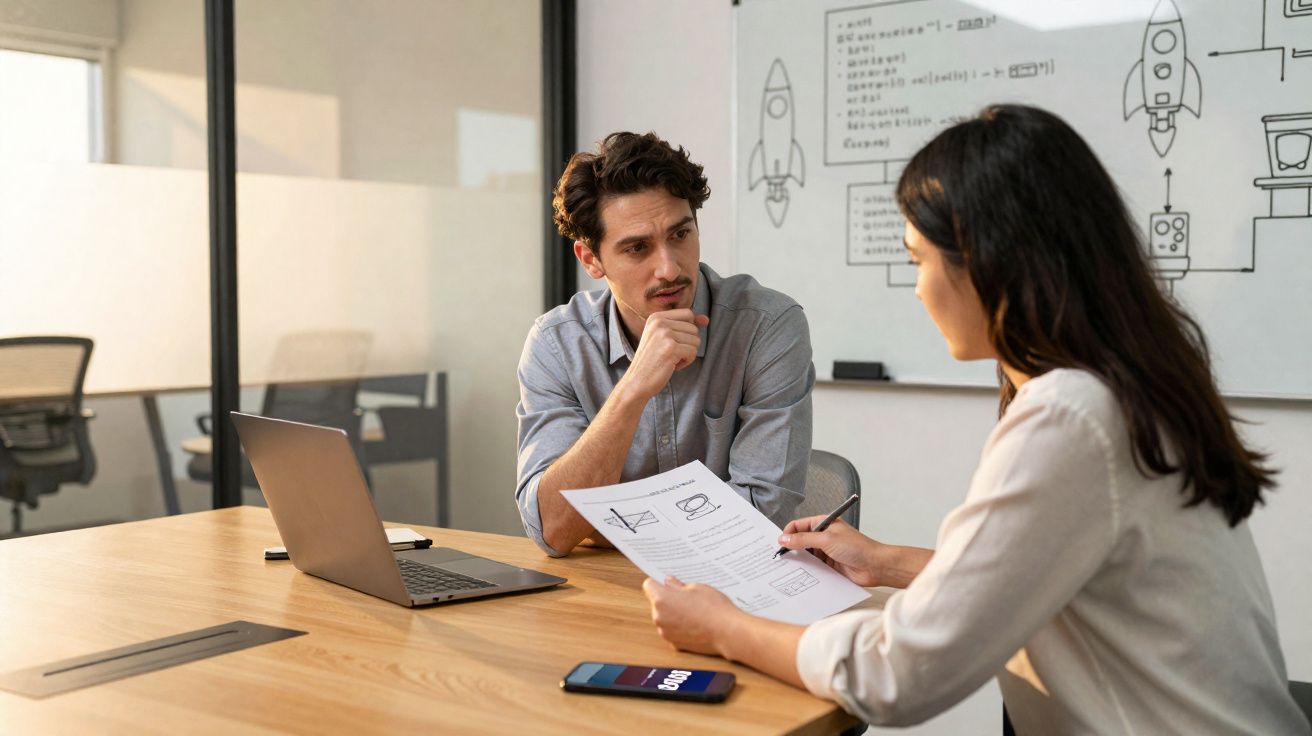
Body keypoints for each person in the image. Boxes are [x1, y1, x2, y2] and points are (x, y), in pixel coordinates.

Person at [642, 105, 1309, 733]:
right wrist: (884, 561)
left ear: (987, 263)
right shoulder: (1117, 385)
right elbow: (1041, 567)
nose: (918, 288)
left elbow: (896, 674)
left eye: (918, 261)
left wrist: (721, 626)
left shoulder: (1071, 418)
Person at [516, 131, 815, 557]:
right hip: (608, 594)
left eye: (680, 235)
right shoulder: (556, 344)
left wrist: (606, 521)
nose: (670, 269)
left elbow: (760, 516)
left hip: (730, 590)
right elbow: (553, 529)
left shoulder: (768, 326)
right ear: (591, 260)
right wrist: (633, 389)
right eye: (638, 248)